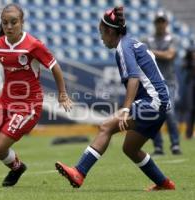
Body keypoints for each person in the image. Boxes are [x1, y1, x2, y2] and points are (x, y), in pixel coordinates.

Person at [55, 6, 175, 191]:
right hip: (161, 103)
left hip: (153, 102)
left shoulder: (123, 47)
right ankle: (164, 184)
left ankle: (79, 171)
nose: (101, 38)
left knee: (106, 127)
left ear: (110, 31)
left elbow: (134, 78)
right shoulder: (131, 43)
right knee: (130, 149)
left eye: (102, 33)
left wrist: (126, 109)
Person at [0, 3, 72, 187]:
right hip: (4, 100)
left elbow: (55, 67)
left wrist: (62, 94)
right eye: (5, 23)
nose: (9, 27)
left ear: (22, 22)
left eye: (13, 22)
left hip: (28, 106)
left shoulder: (33, 45)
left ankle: (17, 168)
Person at [143, 11, 182, 155]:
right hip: (152, 82)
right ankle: (158, 146)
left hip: (169, 82)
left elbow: (170, 55)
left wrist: (151, 52)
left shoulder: (173, 38)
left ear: (166, 23)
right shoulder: (147, 38)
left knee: (169, 112)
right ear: (155, 23)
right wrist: (159, 53)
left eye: (162, 21)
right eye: (158, 21)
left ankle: (175, 144)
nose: (160, 24)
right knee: (154, 113)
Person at [183, 46, 195, 139]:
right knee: (190, 109)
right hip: (191, 83)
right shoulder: (189, 62)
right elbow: (184, 65)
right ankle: (188, 134)